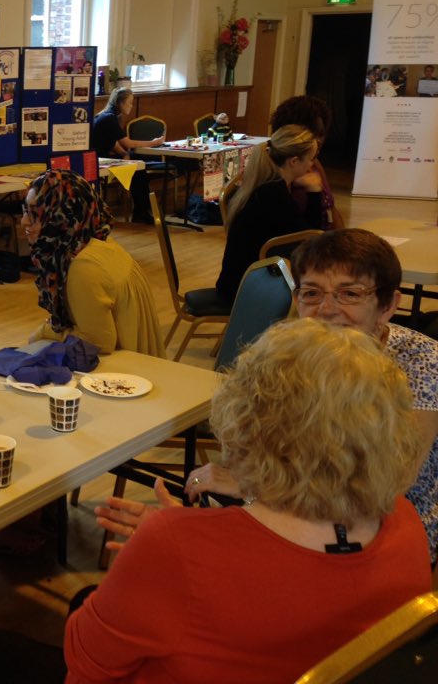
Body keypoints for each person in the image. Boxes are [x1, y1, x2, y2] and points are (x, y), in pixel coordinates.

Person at [0, 318, 432, 683]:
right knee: (91, 598)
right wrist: (189, 539)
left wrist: (175, 547)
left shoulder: (176, 548)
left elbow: (84, 664)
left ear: (250, 422)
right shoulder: (406, 526)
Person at [173, 229, 438, 568]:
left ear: (388, 305)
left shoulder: (423, 365)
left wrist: (253, 489)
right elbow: (255, 444)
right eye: (311, 293)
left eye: (349, 294)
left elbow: (388, 488)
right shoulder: (294, 354)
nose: (326, 310)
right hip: (293, 509)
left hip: (385, 535)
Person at [22, 168, 164, 357]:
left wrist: (45, 332)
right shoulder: (101, 244)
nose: (24, 221)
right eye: (25, 211)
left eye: (34, 215)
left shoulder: (82, 267)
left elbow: (98, 342)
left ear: (61, 219)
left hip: (125, 371)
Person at [215, 123, 322, 302]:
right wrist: (314, 193)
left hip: (236, 281)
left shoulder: (262, 185)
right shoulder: (274, 195)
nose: (312, 165)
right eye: (311, 159)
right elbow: (311, 241)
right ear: (294, 161)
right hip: (247, 290)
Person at [90, 87, 165, 224]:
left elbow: (112, 141)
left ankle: (142, 210)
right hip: (98, 160)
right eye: (129, 102)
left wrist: (124, 153)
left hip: (103, 156)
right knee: (139, 169)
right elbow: (127, 142)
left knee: (139, 166)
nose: (131, 105)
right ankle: (141, 211)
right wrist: (153, 143)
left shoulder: (108, 115)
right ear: (121, 103)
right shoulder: (108, 117)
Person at [269, 94, 338, 228]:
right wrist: (314, 191)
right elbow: (302, 233)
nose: (319, 141)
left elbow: (332, 208)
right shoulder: (279, 179)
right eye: (313, 133)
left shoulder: (314, 163)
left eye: (321, 133)